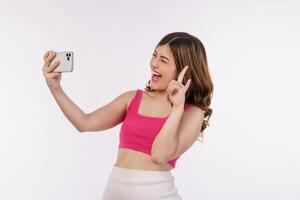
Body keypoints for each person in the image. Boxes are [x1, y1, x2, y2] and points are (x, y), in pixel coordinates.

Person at [42, 32, 213, 200]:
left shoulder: (193, 113)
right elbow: (84, 123)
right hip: (115, 192)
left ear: (184, 70)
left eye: (163, 60)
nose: (154, 64)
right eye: (155, 55)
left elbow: (159, 155)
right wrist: (55, 88)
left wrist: (177, 108)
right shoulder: (132, 98)